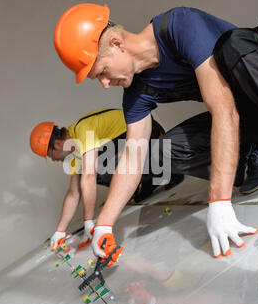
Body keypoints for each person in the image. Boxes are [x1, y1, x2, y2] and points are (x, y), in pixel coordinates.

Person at [53, 4, 258, 261]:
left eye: (102, 72)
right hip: (250, 115)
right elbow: (132, 158)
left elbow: (223, 109)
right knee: (160, 153)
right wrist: (104, 225)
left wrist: (219, 202)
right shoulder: (135, 94)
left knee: (234, 45)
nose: (106, 84)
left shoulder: (178, 26)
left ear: (117, 42)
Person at [29, 108, 183, 251]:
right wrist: (60, 231)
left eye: (50, 155)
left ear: (57, 144)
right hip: (134, 145)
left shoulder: (82, 130)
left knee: (96, 169)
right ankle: (148, 180)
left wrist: (89, 222)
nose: (54, 160)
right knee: (89, 169)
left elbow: (90, 176)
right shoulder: (76, 153)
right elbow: (73, 193)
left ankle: (167, 166)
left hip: (150, 134)